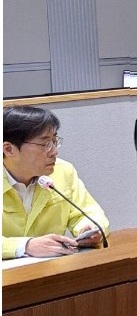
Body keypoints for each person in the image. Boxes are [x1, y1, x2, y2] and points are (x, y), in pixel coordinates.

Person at [3, 106, 109, 258]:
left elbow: (89, 213)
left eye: (54, 141)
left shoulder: (63, 171)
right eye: (45, 144)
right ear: (9, 149)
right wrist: (25, 246)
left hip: (52, 268)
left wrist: (88, 228)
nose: (54, 151)